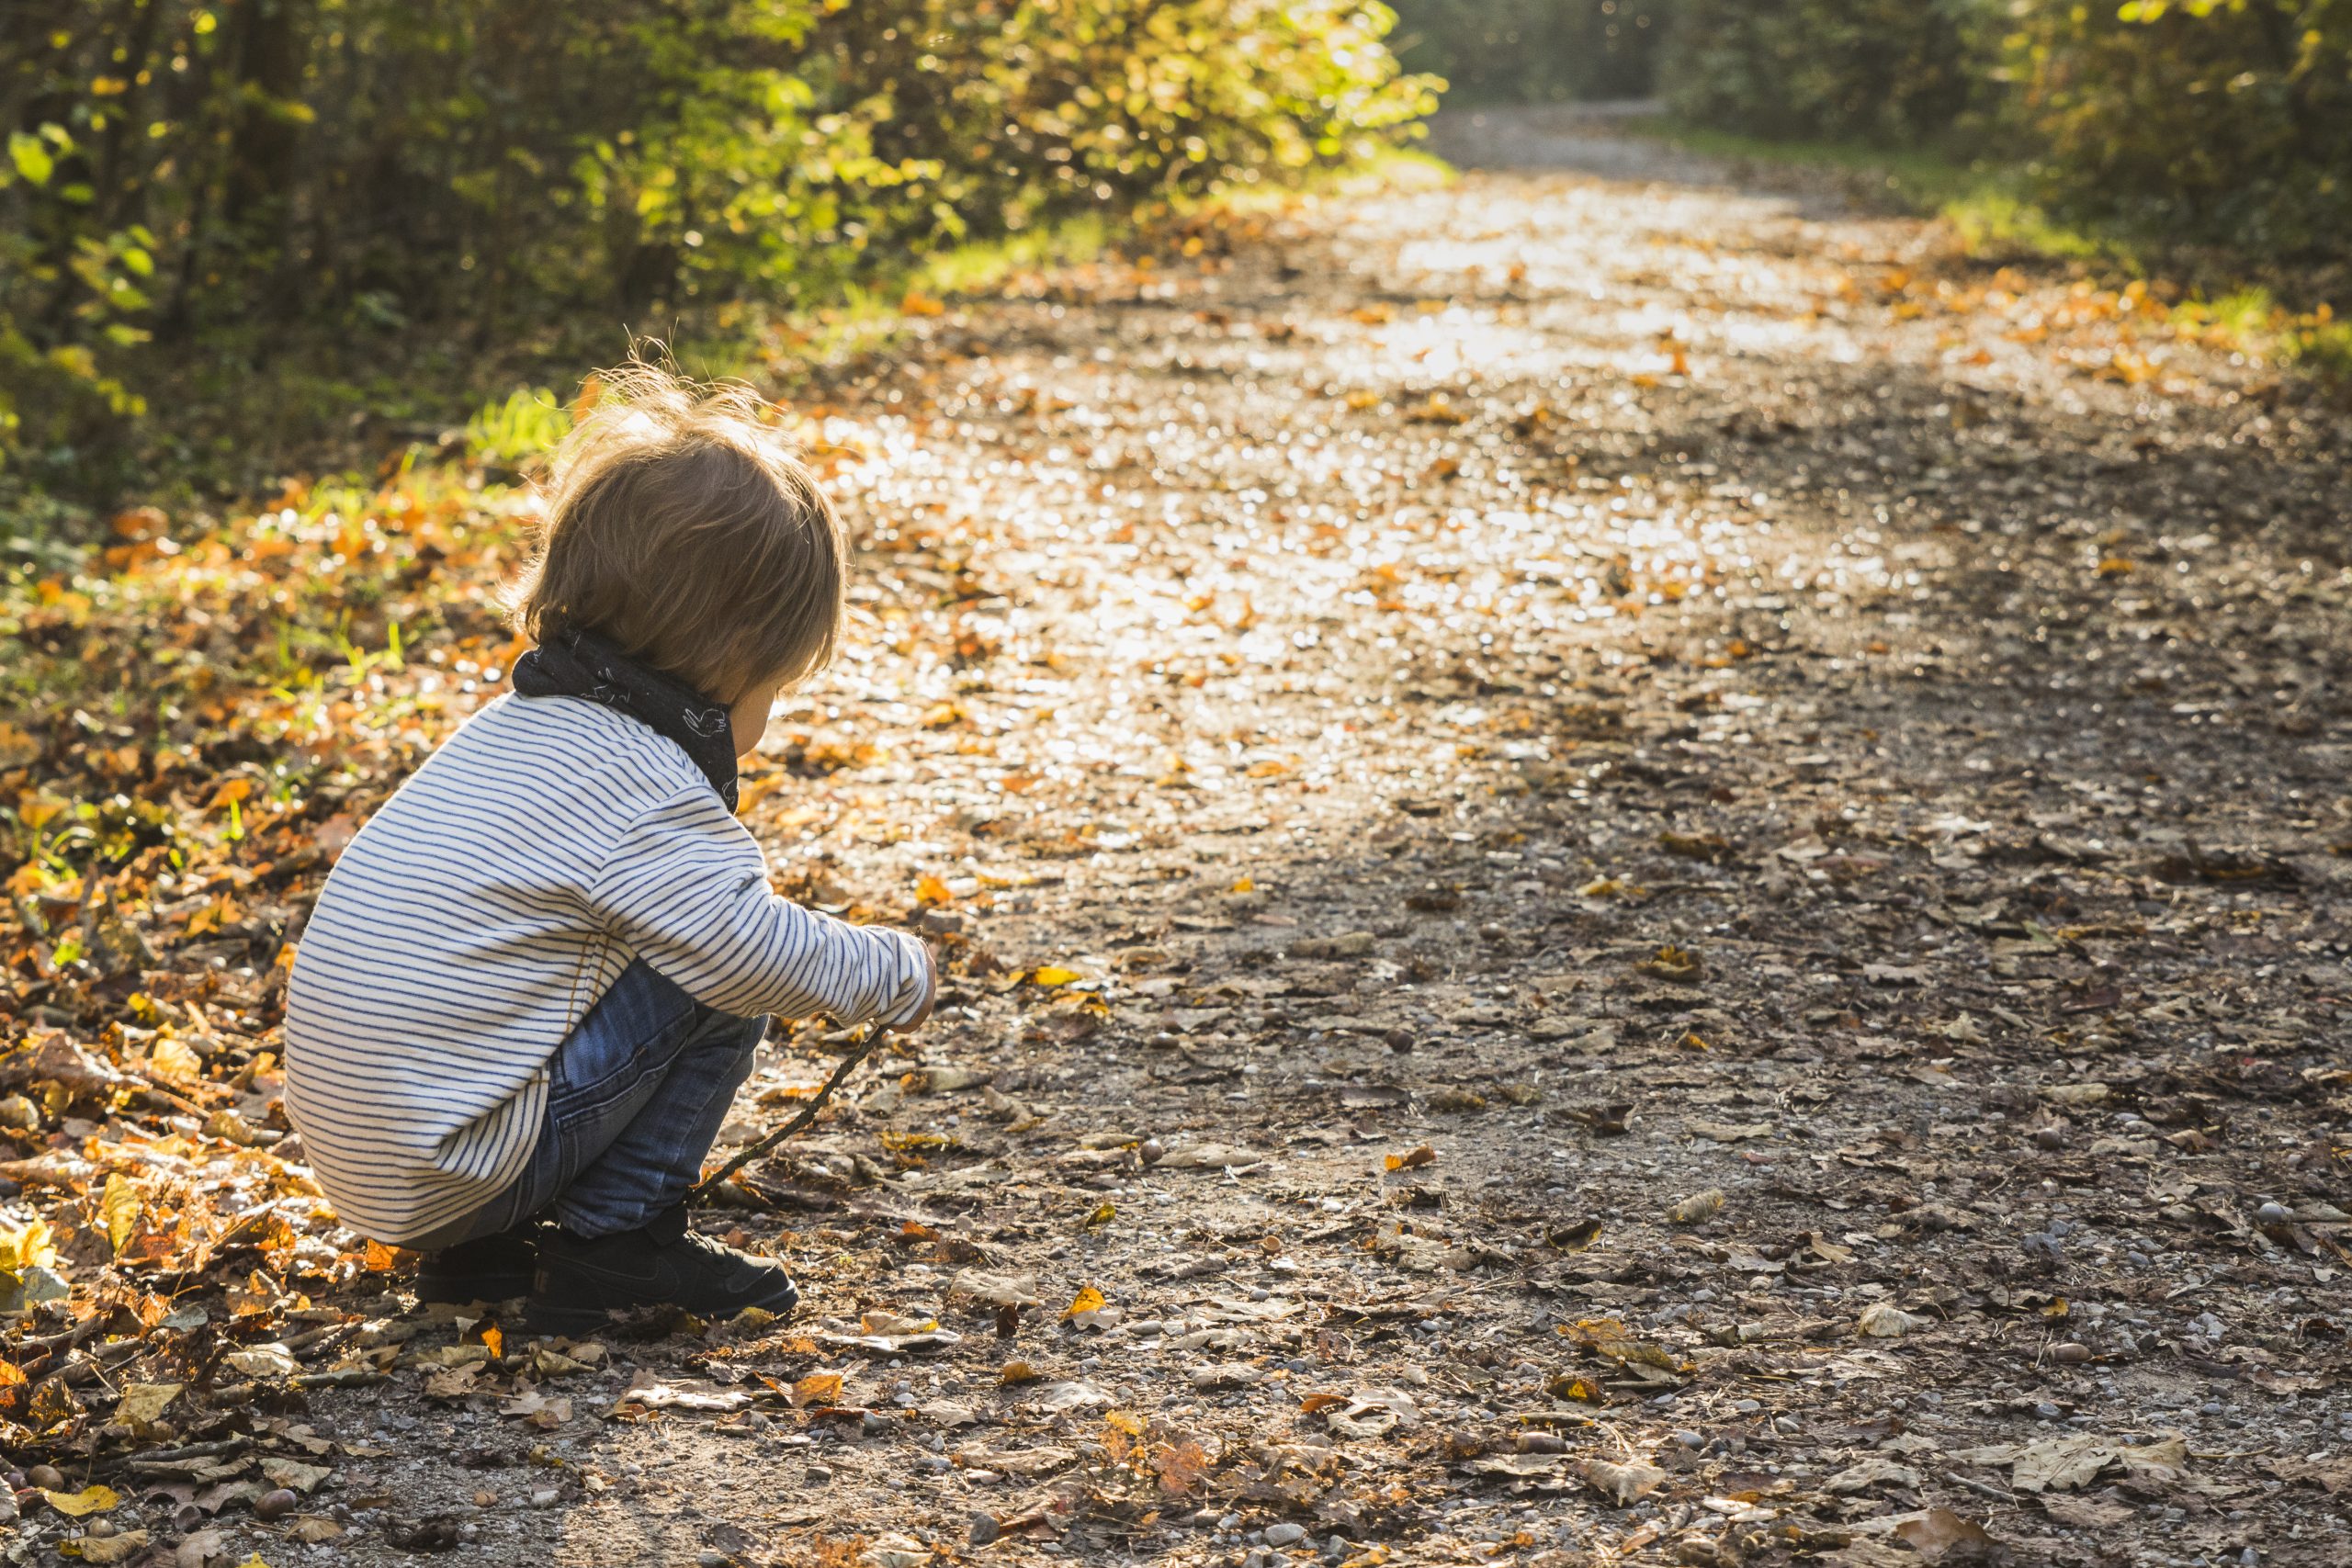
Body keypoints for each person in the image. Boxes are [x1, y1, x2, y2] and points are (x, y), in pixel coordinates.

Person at [283, 366, 933, 1332]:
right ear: (732, 656)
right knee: (712, 969)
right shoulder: (637, 783)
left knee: (595, 951)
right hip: (454, 1163)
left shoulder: (514, 730)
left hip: (377, 1160)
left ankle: (482, 1260)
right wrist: (896, 971)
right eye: (779, 685)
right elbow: (747, 952)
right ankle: (617, 1244)